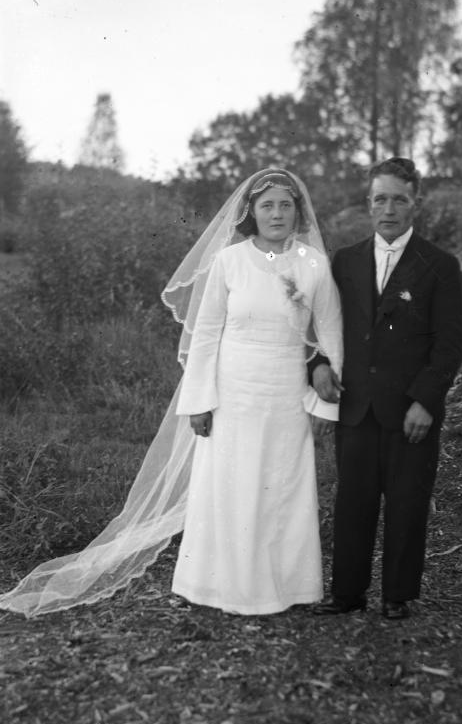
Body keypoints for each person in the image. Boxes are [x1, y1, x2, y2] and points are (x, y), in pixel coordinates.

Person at [0, 168, 342, 618]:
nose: (277, 214)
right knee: (228, 484)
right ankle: (217, 586)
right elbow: (206, 335)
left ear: (298, 211)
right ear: (252, 213)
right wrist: (198, 401)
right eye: (267, 206)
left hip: (285, 391)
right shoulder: (230, 261)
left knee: (282, 485)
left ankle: (285, 587)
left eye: (285, 205)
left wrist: (325, 400)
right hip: (233, 390)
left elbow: (331, 331)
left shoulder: (313, 264)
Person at [312, 157, 462, 620]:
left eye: (399, 199)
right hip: (356, 404)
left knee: (406, 501)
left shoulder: (439, 265)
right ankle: (347, 593)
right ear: (368, 204)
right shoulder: (345, 261)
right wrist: (317, 366)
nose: (389, 209)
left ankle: (397, 595)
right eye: (380, 199)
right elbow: (322, 326)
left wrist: (426, 401)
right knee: (353, 500)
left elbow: (451, 342)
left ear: (416, 203)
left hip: (409, 410)